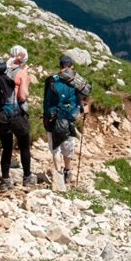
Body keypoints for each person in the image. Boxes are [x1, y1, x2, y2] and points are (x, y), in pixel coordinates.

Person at [42, 53, 91, 188]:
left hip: (53, 119)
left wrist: (46, 116)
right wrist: (81, 111)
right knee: (68, 147)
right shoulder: (77, 82)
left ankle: (58, 174)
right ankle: (67, 170)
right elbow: (82, 101)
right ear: (72, 66)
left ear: (60, 65)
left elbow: (46, 102)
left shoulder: (51, 80)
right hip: (69, 119)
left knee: (55, 148)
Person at [0, 45, 34, 188]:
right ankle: (27, 177)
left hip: (0, 114)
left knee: (6, 147)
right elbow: (23, 96)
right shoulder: (21, 72)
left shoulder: (1, 70)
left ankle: (5, 180)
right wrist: (26, 81)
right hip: (16, 113)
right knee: (24, 145)